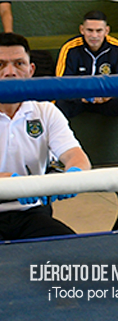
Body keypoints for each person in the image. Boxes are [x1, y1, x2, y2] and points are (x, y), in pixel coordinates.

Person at [0, 32, 91, 241]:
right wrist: (11, 184)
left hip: (31, 212)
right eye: (0, 65)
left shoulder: (45, 111)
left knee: (77, 257)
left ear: (31, 70)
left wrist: (73, 176)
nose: (10, 72)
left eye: (19, 64)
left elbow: (76, 155)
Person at [55, 11, 118, 165]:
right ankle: (53, 158)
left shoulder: (117, 48)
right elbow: (61, 83)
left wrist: (108, 96)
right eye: (90, 30)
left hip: (108, 100)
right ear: (81, 30)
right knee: (56, 107)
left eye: (99, 31)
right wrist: (82, 96)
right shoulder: (70, 48)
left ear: (107, 31)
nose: (94, 35)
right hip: (79, 99)